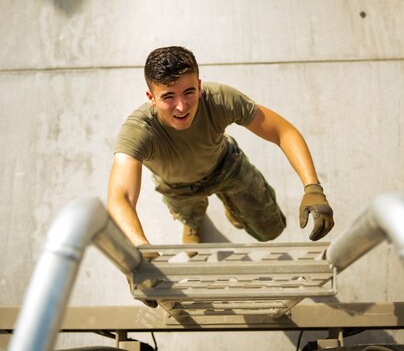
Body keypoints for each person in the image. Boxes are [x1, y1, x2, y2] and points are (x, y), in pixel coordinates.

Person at [107, 46, 334, 248]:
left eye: (189, 92)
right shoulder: (138, 130)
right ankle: (193, 223)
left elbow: (283, 131)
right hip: (177, 186)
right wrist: (140, 249)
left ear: (199, 85)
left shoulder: (219, 99)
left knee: (270, 229)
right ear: (151, 98)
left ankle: (232, 205)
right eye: (168, 97)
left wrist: (312, 187)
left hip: (226, 166)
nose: (181, 106)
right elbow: (121, 197)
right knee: (189, 214)